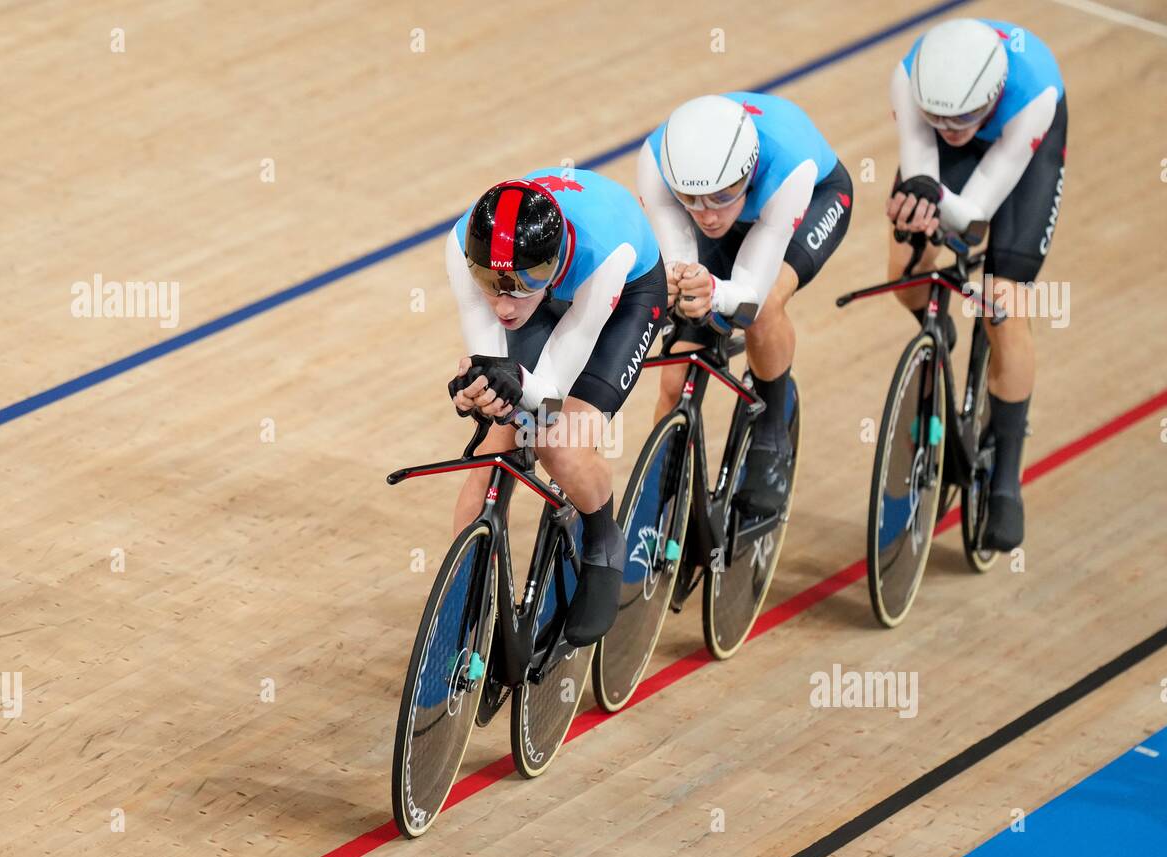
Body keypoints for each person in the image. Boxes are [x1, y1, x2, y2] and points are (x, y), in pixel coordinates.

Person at [446, 172, 665, 646]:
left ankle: (603, 538)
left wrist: (516, 386)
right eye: (491, 284)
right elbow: (491, 366)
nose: (503, 305)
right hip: (550, 293)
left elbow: (547, 401)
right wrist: (479, 391)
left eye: (522, 283)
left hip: (621, 299)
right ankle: (459, 613)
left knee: (557, 444)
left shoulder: (603, 255)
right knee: (492, 451)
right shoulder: (461, 245)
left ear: (553, 261)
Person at [887, 17, 1066, 550]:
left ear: (990, 93)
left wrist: (943, 215)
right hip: (957, 155)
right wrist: (915, 209)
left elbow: (976, 212)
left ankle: (1007, 476)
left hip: (1020, 154)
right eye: (938, 115)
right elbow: (922, 172)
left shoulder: (1034, 93)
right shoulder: (908, 79)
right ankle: (937, 337)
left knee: (1003, 303)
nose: (950, 126)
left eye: (963, 115)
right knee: (904, 276)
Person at [637, 92, 851, 517]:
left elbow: (749, 293)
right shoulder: (656, 162)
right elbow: (681, 261)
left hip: (808, 205)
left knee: (765, 306)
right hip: (746, 216)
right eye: (692, 199)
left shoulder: (788, 167)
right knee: (677, 367)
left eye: (723, 195)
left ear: (749, 172)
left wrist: (717, 293)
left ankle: (771, 435)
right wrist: (688, 286)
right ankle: (658, 495)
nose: (708, 215)